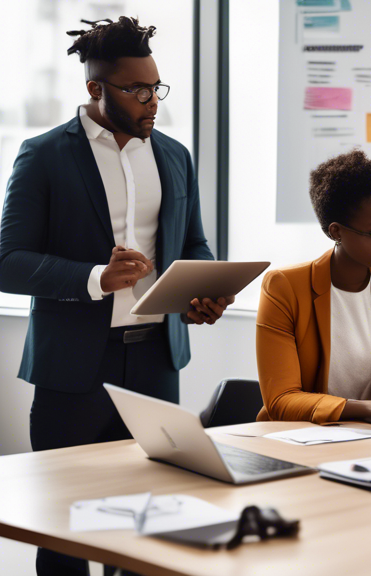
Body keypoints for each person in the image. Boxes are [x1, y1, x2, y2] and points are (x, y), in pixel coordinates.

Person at [0, 17, 228, 576]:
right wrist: (95, 278)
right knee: (65, 529)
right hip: (74, 367)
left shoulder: (174, 155)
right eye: (136, 90)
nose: (152, 102)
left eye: (156, 88)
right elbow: (8, 261)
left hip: (156, 361)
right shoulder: (44, 155)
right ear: (95, 88)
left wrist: (201, 290)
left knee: (148, 524)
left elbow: (192, 243)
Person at [255, 150, 371, 426]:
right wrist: (369, 409)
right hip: (296, 433)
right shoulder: (284, 287)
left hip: (368, 434)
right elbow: (281, 400)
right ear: (336, 231)